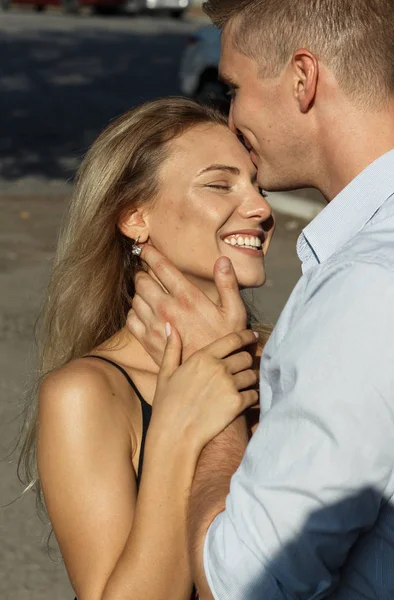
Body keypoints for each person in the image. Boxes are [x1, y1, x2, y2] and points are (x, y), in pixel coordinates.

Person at [125, 0, 394, 598]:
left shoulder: (369, 284)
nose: (231, 115)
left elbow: (247, 579)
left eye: (234, 87)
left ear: (303, 79)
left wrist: (214, 381)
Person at [17, 98, 275, 599]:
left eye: (257, 184)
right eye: (220, 184)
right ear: (135, 218)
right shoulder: (88, 392)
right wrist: (177, 431)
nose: (261, 208)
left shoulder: (286, 356)